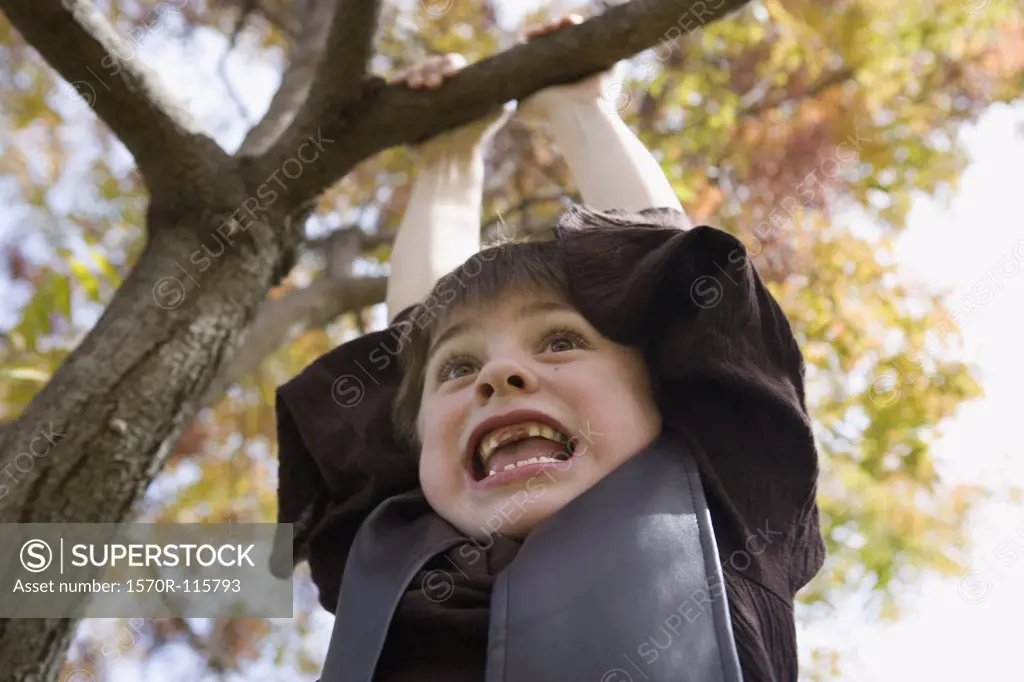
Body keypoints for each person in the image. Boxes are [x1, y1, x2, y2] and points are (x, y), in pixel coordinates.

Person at [272, 15, 825, 682]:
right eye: (461, 368)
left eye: (560, 341)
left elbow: (679, 281)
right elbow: (411, 349)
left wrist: (581, 104)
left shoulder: (725, 508)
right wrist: (447, 154)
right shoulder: (390, 555)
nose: (500, 374)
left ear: (663, 387)